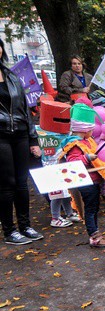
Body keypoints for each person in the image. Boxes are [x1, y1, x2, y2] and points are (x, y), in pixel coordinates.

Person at [0, 37, 43, 245]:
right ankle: (9, 230)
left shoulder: (11, 76)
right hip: (1, 137)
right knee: (7, 183)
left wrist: (33, 139)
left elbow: (25, 110)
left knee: (22, 182)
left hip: (21, 133)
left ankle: (25, 226)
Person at [60, 103, 105, 248]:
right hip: (86, 182)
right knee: (90, 209)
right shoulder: (74, 144)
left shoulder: (87, 140)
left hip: (94, 181)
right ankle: (93, 236)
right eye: (91, 130)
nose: (92, 133)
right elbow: (73, 162)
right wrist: (87, 158)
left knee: (94, 208)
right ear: (84, 129)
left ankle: (95, 232)